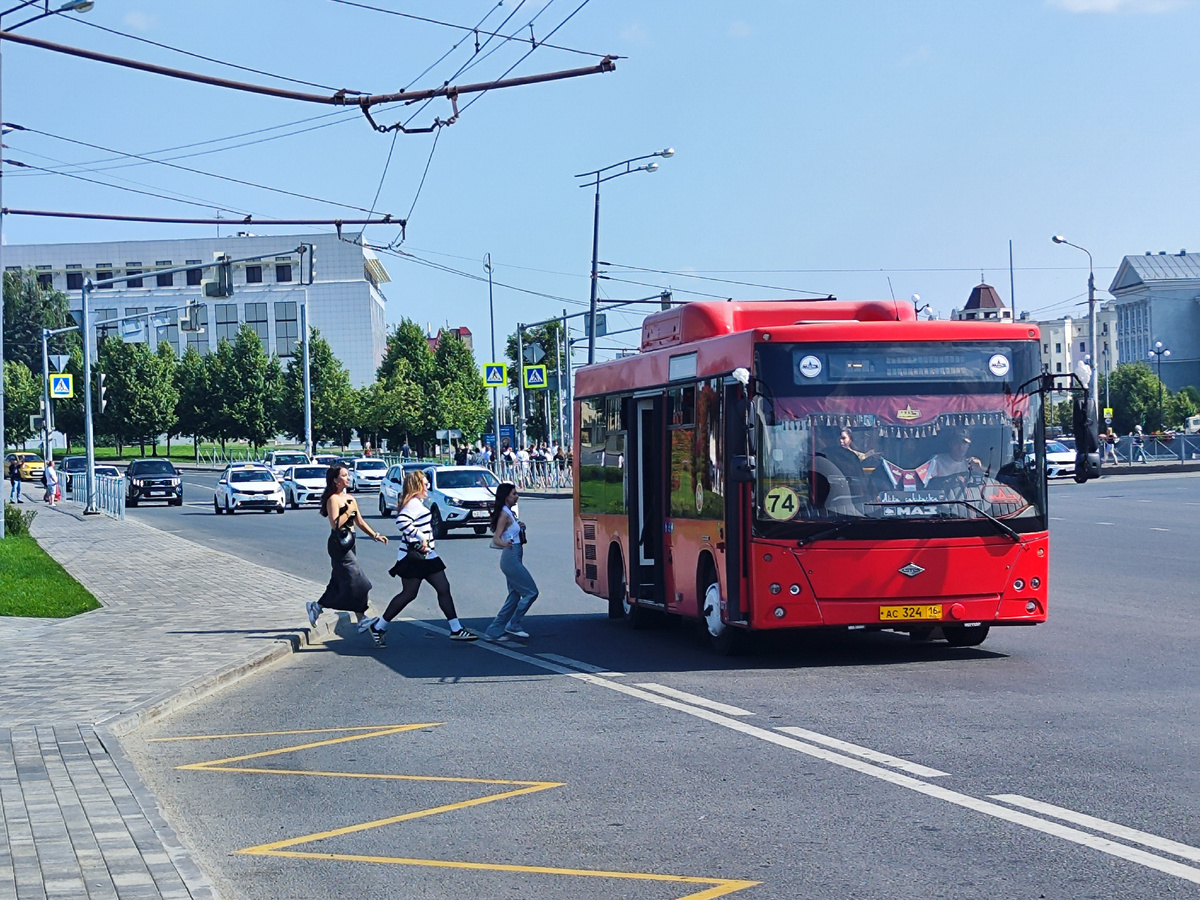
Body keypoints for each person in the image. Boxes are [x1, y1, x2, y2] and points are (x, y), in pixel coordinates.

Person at [360, 470, 478, 647]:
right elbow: (401, 522)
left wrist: (422, 539)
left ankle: (456, 629)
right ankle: (379, 626)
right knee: (409, 594)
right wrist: (420, 536)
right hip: (415, 558)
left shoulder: (415, 502)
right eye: (425, 483)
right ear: (416, 486)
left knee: (442, 588)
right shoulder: (413, 504)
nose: (428, 486)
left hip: (427, 556)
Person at [307, 465, 388, 630]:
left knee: (338, 581)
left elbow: (359, 521)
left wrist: (375, 535)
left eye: (348, 475)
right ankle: (361, 618)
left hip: (351, 542)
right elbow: (335, 524)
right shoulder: (333, 499)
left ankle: (317, 606)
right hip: (339, 544)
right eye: (344, 475)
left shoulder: (350, 498)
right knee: (360, 582)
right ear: (336, 480)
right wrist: (348, 510)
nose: (348, 478)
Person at [484, 483, 539, 642]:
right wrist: (505, 544)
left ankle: (494, 630)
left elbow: (510, 531)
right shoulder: (504, 515)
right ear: (507, 496)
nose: (517, 496)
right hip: (511, 557)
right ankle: (513, 624)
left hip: (515, 555)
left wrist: (520, 527)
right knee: (531, 592)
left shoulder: (509, 513)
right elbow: (496, 538)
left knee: (514, 596)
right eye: (514, 493)